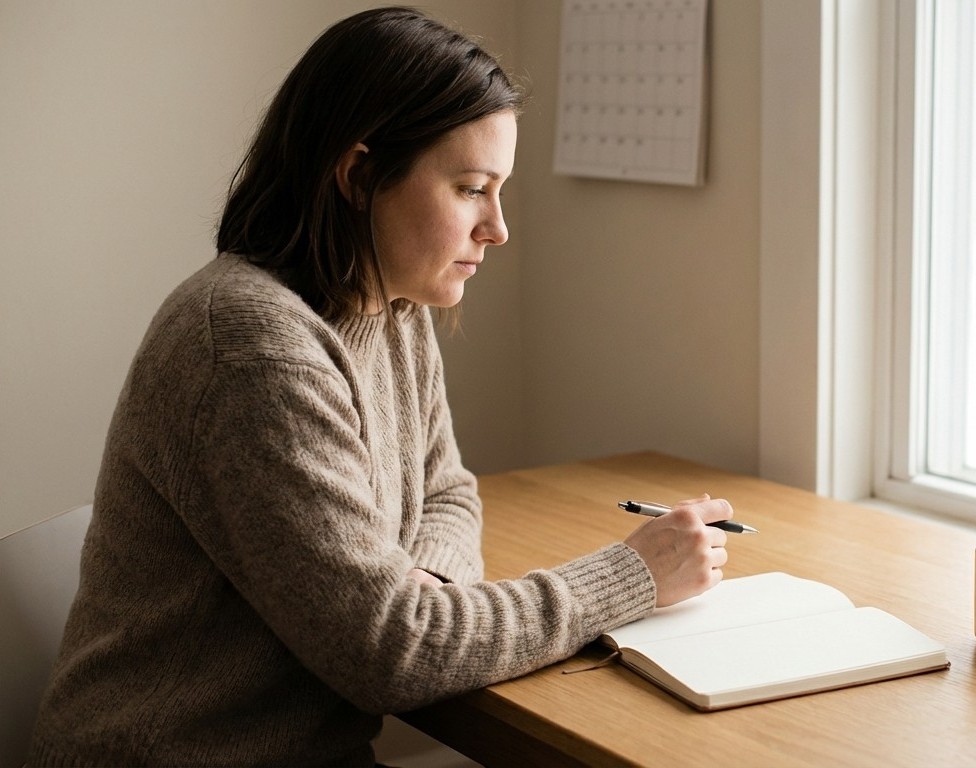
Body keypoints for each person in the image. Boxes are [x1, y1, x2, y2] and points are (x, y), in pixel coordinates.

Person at [27, 7, 732, 766]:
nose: (496, 228)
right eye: (470, 188)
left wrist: (419, 594)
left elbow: (448, 493)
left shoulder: (388, 303)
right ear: (359, 176)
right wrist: (629, 575)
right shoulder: (249, 347)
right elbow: (394, 656)